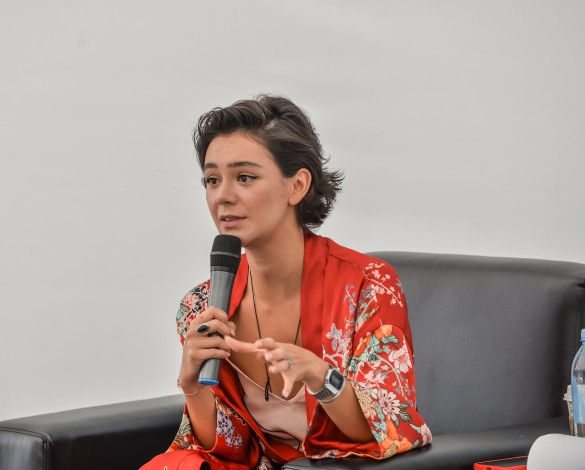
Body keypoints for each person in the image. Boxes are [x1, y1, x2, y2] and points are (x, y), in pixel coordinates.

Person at [143, 95, 431, 470]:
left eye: (244, 177)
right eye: (212, 180)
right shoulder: (200, 306)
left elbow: (386, 428)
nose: (223, 196)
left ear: (297, 186)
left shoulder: (367, 285)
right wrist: (192, 384)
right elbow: (228, 450)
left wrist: (320, 376)